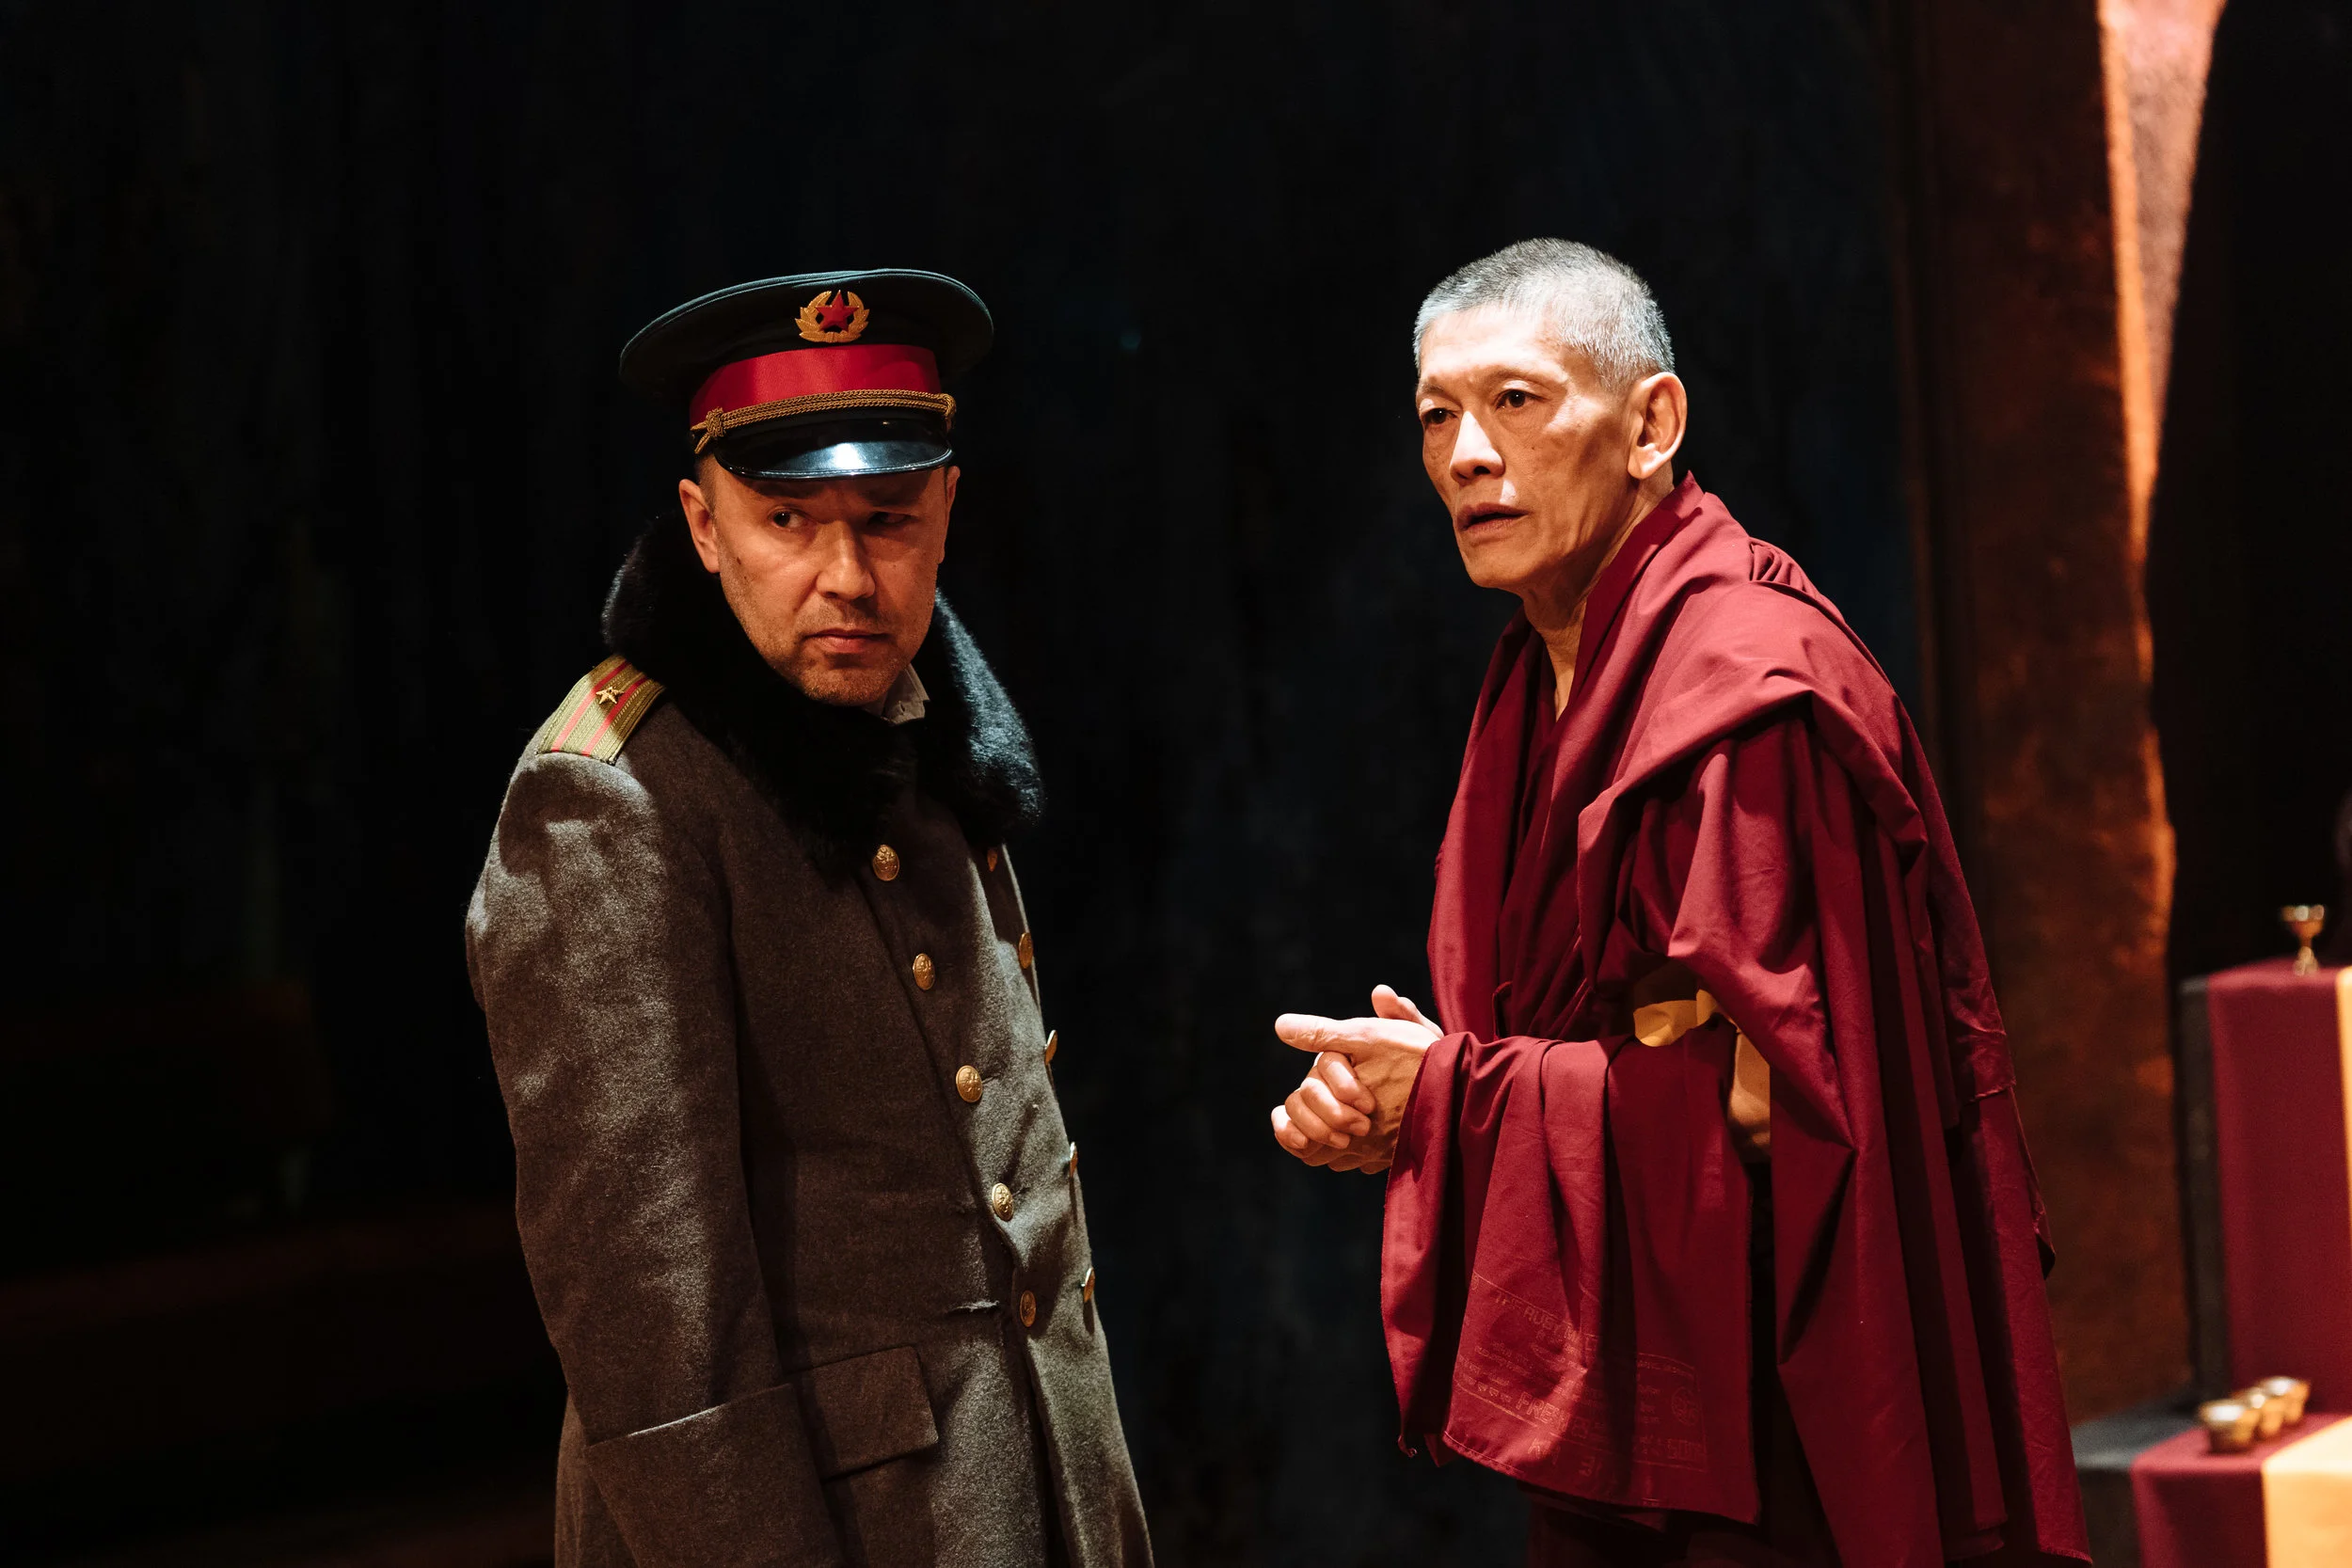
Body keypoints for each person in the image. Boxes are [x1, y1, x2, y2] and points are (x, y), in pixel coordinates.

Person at [1268, 240, 2088, 1566]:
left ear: (1651, 425)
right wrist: (1412, 1102)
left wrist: (1459, 1096)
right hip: (1637, 1361)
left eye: (1517, 401)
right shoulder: (1541, 676)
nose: (1467, 454)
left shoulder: (1743, 687)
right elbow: (1578, 1043)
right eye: (1435, 415)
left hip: (1777, 1403)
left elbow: (1786, 1100)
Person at [468, 270, 1152, 1568]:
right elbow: (659, 1335)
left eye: (887, 519)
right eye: (786, 519)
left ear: (946, 510)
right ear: (704, 523)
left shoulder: (924, 727)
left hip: (1015, 1491)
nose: (847, 576)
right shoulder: (617, 798)